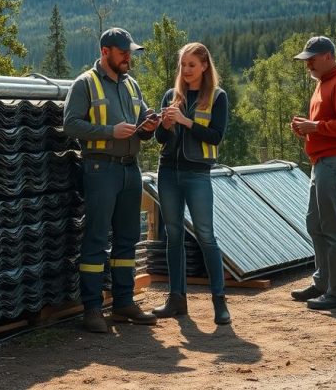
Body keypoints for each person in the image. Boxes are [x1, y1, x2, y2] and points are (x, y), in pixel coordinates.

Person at [63, 27, 162, 333]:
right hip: (100, 170)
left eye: (130, 53)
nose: (128, 58)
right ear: (105, 52)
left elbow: (144, 126)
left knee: (127, 239)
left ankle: (123, 303)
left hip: (130, 170)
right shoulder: (85, 84)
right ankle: (92, 309)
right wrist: (109, 132)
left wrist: (151, 124)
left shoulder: (131, 85)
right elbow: (70, 125)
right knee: (95, 240)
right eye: (123, 53)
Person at [151, 42, 231, 325]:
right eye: (183, 65)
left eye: (192, 65)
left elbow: (215, 136)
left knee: (206, 236)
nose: (186, 70)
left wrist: (185, 121)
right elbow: (160, 140)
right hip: (168, 173)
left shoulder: (217, 97)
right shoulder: (171, 96)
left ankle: (219, 302)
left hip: (197, 174)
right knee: (173, 236)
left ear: (205, 66)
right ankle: (176, 300)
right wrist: (165, 126)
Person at [288, 35, 336, 310]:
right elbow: (326, 123)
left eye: (312, 60)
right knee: (315, 224)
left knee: (332, 228)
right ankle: (323, 283)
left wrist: (315, 128)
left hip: (335, 162)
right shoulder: (323, 84)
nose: (308, 66)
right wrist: (307, 128)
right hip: (322, 162)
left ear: (328, 56)